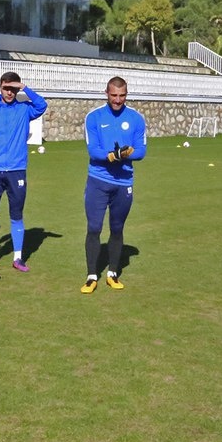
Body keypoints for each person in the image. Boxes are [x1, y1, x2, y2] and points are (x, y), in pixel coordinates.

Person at [0, 71, 48, 271]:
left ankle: (18, 258)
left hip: (17, 170)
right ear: (0, 87)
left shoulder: (24, 109)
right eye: (6, 88)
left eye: (13, 89)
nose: (9, 92)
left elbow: (42, 105)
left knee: (16, 215)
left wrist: (25, 88)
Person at [81, 77, 146, 293]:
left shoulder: (136, 118)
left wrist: (127, 153)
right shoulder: (94, 117)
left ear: (127, 95)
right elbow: (93, 150)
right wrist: (111, 156)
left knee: (117, 228)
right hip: (98, 181)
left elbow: (141, 151)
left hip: (123, 183)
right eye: (114, 95)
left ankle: (112, 273)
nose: (118, 100)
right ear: (106, 94)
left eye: (122, 95)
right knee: (94, 228)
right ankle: (92, 276)